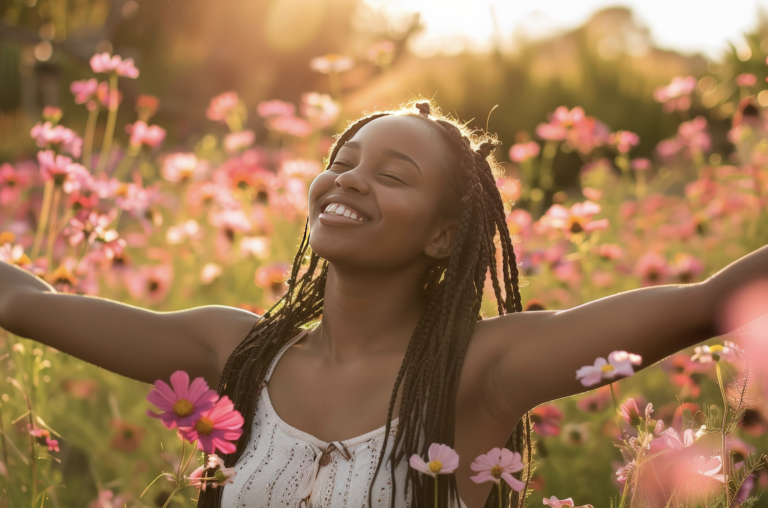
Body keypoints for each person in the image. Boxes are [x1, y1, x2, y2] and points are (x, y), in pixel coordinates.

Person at [0, 101, 766, 508]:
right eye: (341, 161)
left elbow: (712, 302)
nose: (349, 180)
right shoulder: (234, 350)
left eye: (392, 175)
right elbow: (26, 303)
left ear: (442, 237)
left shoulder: (479, 369)